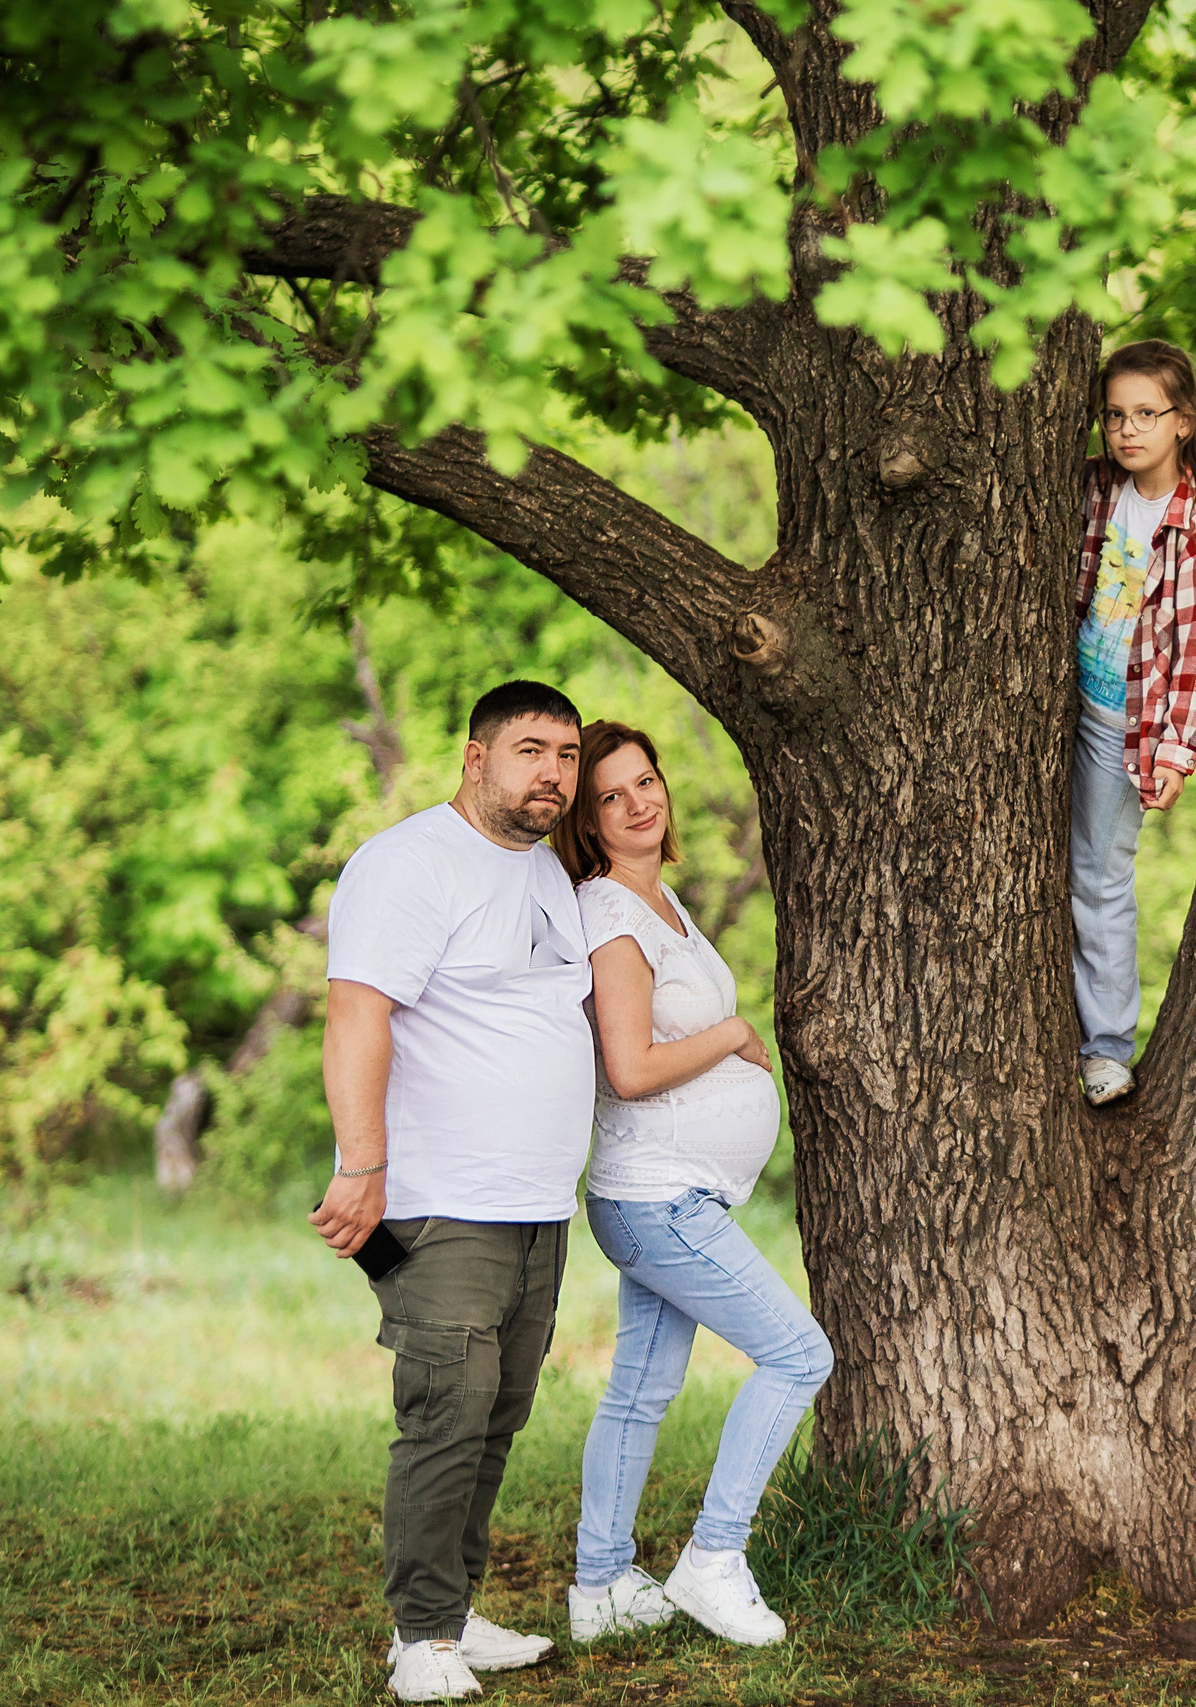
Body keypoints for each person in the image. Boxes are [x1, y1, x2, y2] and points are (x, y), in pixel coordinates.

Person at [310, 680, 592, 1702]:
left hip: (532, 1211)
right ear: (475, 758)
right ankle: (419, 1637)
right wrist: (361, 1167)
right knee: (445, 1405)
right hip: (436, 1205)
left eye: (565, 755)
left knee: (496, 1412)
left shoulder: (547, 874)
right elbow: (355, 1017)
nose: (550, 774)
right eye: (529, 751)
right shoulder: (409, 863)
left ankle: (455, 1610)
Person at [549, 719, 832, 1649]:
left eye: (646, 781)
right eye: (611, 796)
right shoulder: (614, 915)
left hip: (671, 1194)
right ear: (588, 823)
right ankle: (715, 1557)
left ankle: (599, 1585)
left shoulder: (656, 899)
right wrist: (735, 1037)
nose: (638, 802)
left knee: (639, 1387)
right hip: (653, 1197)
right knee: (799, 1354)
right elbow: (627, 1066)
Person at [1070, 338, 1196, 1107]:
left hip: (1124, 722)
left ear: (1183, 422)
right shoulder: (1096, 492)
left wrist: (1177, 750)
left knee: (1100, 874)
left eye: (1147, 414)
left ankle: (1108, 1048)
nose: (1127, 430)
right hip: (1061, 703)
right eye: (1115, 415)